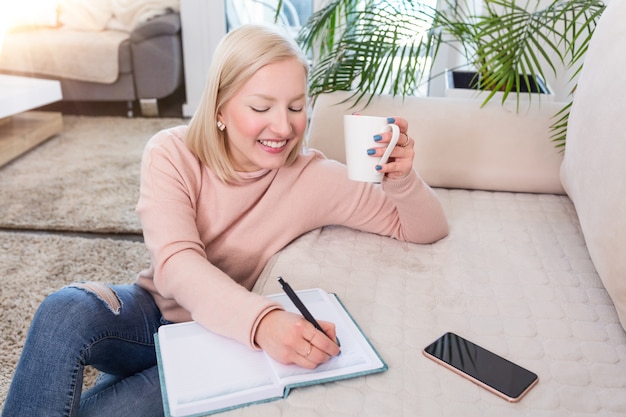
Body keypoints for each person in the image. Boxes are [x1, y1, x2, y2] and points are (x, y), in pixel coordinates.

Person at [2, 24, 448, 417]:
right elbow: (176, 263)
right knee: (64, 311)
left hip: (219, 345)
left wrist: (402, 177)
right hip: (153, 312)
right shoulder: (170, 151)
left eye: (296, 107)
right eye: (261, 107)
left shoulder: (313, 177)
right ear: (219, 108)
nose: (283, 126)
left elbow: (423, 229)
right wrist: (264, 321)